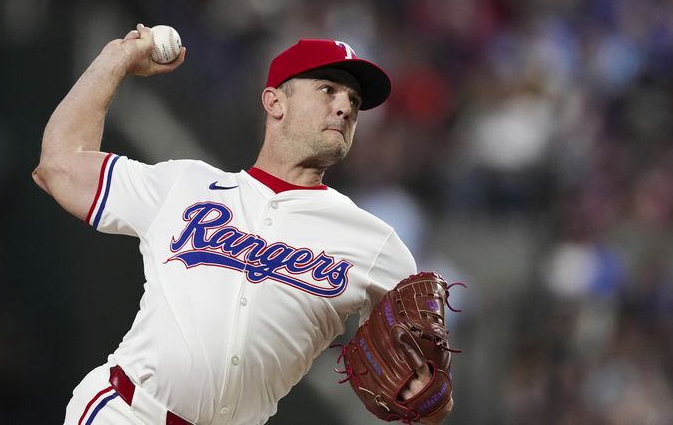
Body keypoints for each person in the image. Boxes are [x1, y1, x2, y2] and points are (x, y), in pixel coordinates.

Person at [33, 23, 452, 425]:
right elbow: (59, 166)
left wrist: (429, 399)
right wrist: (116, 59)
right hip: (127, 412)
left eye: (354, 102)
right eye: (328, 90)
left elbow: (428, 393)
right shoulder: (184, 184)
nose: (344, 107)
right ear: (275, 102)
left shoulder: (376, 244)